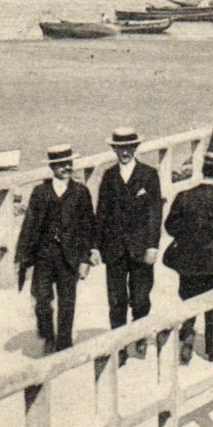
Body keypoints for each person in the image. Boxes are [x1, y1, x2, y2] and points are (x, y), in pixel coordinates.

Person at [15, 144, 96, 355]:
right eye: (61, 165)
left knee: (67, 301)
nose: (66, 168)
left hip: (70, 255)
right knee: (41, 298)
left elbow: (89, 227)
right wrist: (21, 256)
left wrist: (86, 259)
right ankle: (48, 336)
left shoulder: (80, 192)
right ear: (52, 168)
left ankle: (64, 343)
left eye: (68, 163)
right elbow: (29, 224)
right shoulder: (40, 192)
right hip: (44, 254)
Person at [162, 150, 213, 363]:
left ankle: (187, 337)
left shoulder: (184, 196)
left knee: (189, 301)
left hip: (189, 261)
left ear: (203, 170)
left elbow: (170, 226)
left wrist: (189, 234)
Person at [94, 127, 163, 363]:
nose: (124, 153)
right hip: (113, 248)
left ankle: (140, 334)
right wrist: (96, 246)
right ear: (114, 150)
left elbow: (155, 212)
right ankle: (119, 346)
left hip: (141, 247)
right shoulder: (108, 176)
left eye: (129, 148)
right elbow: (101, 213)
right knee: (116, 300)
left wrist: (153, 245)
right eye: (120, 149)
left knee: (141, 297)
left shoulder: (149, 175)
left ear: (135, 148)